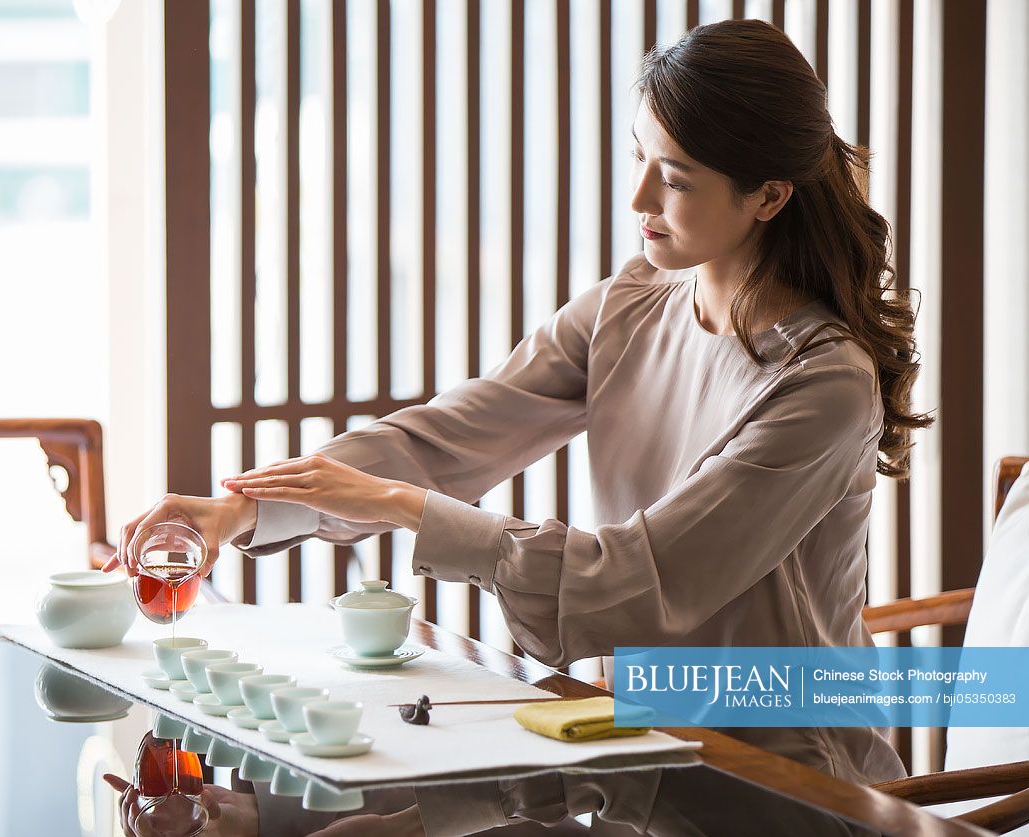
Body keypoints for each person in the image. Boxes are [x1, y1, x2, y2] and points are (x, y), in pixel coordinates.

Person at [104, 18, 929, 792]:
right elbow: (447, 439)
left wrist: (399, 507)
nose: (637, 197)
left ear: (769, 197)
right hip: (635, 747)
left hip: (782, 775)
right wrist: (238, 513)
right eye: (637, 157)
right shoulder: (630, 304)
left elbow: (643, 581)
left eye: (673, 178)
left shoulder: (824, 383)